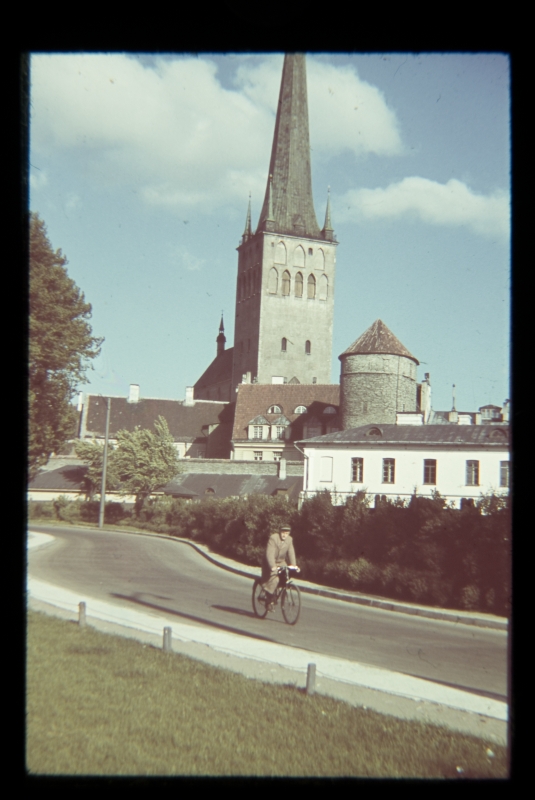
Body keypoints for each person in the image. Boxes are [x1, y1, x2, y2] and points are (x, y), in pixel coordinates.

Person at [261, 524, 300, 611]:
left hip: (281, 562)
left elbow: (291, 553)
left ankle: (277, 591)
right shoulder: (273, 538)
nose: (284, 535)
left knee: (285, 575)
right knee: (275, 579)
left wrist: (294, 565)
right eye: (283, 532)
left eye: (286, 533)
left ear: (289, 533)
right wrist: (273, 566)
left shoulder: (289, 540)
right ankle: (269, 601)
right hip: (269, 562)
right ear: (280, 532)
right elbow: (269, 554)